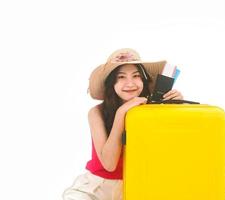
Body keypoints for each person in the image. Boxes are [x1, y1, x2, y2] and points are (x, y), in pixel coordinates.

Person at [62, 48, 183, 200]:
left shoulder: (152, 110)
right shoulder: (96, 112)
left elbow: (172, 149)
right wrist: (121, 113)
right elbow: (109, 165)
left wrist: (177, 107)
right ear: (112, 83)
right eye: (121, 77)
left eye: (136, 75)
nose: (130, 83)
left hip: (137, 186)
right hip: (97, 187)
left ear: (143, 80)